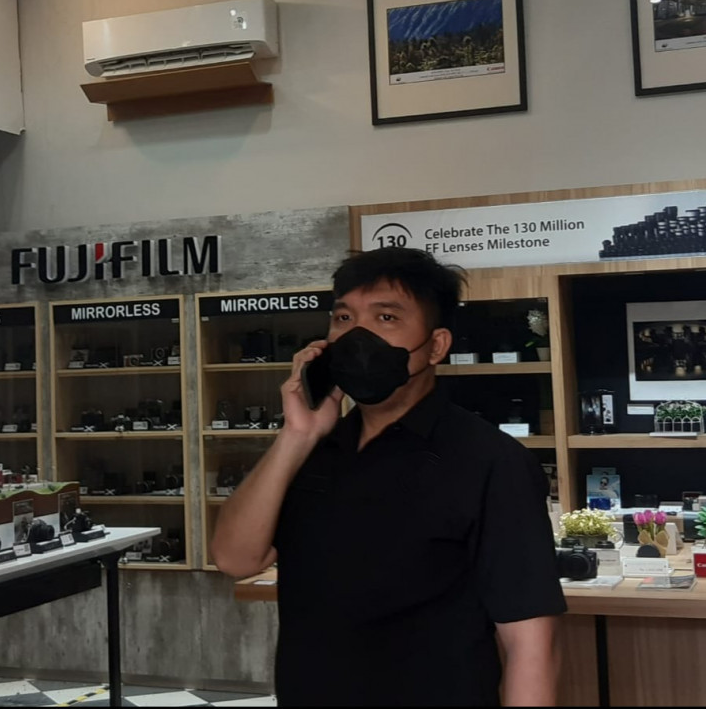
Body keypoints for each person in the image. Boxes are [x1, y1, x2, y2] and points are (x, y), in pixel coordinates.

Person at [211, 247, 567, 706]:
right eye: (343, 318)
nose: (357, 335)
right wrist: (296, 435)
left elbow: (532, 643)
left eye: (386, 318)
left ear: (436, 346)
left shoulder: (490, 461)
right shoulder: (314, 450)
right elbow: (235, 559)